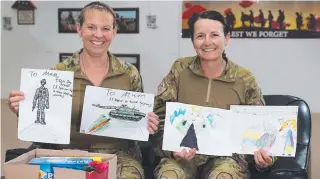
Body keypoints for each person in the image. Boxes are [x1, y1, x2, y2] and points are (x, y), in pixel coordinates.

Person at [7, 2, 159, 179]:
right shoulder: (59, 73)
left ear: (114, 32)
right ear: (79, 30)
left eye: (106, 28)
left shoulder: (129, 73)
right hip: (67, 154)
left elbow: (137, 125)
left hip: (119, 156)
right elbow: (42, 127)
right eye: (91, 27)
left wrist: (148, 124)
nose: (98, 35)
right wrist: (22, 111)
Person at [152, 10, 276, 179]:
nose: (207, 42)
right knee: (169, 175)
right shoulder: (179, 69)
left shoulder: (245, 78)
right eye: (200, 36)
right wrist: (171, 150)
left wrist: (265, 157)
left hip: (227, 158)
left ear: (227, 39)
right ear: (193, 41)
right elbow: (158, 119)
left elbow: (262, 130)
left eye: (215, 35)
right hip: (183, 154)